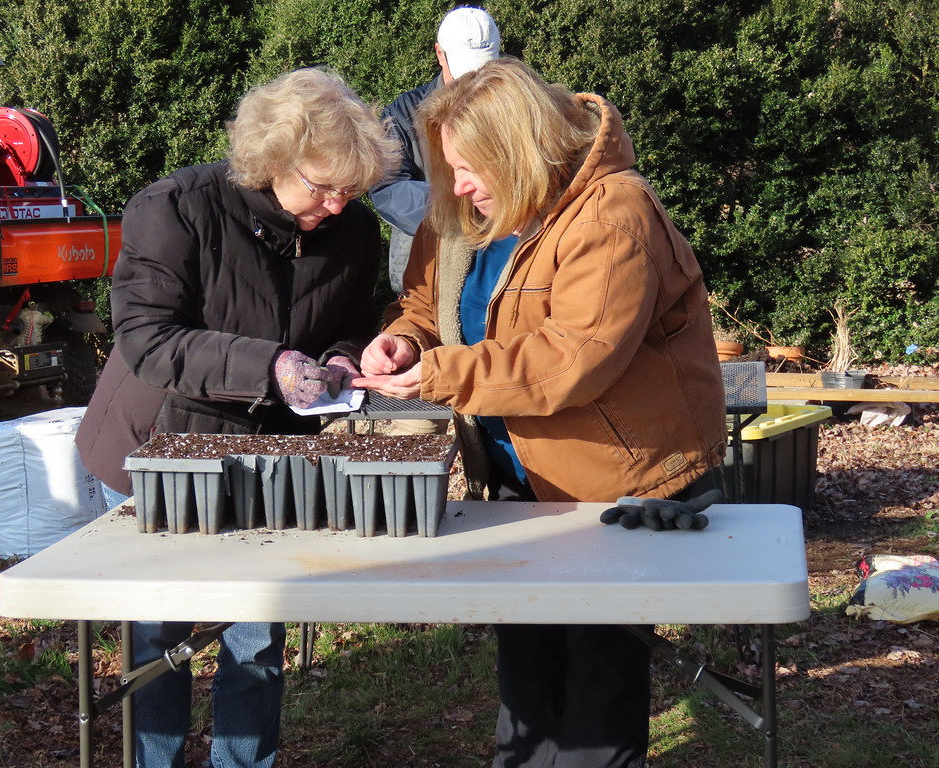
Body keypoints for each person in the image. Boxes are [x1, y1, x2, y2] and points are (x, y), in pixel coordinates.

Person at [353, 58, 727, 768]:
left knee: (596, 684)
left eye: (470, 168)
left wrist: (437, 375)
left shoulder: (613, 213)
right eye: (449, 169)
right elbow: (427, 304)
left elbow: (572, 359)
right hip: (517, 482)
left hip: (617, 483)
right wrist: (404, 341)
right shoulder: (466, 211)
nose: (457, 186)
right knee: (527, 670)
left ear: (519, 151)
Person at [75, 67, 400, 768]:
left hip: (272, 461)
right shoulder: (176, 208)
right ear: (273, 159)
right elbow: (146, 339)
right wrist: (272, 366)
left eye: (353, 189)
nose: (339, 205)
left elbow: (350, 321)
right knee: (159, 637)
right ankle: (152, 762)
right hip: (158, 446)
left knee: (255, 638)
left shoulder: (354, 233)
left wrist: (342, 360)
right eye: (323, 187)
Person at [369, 5, 500, 437]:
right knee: (418, 421)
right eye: (463, 70)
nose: (472, 81)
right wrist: (455, 206)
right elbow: (386, 186)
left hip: (503, 265)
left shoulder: (517, 109)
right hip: (427, 272)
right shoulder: (402, 115)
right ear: (439, 55)